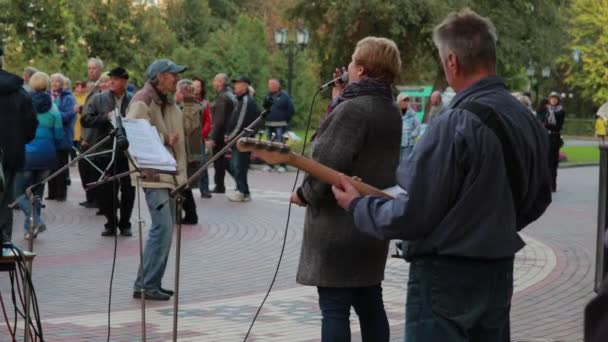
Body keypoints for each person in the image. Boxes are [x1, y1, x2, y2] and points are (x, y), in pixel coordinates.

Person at [332, 9, 552, 342]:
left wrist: (358, 206)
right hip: (497, 270)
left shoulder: (455, 122)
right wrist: (496, 225)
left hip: (446, 274)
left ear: (452, 61)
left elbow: (414, 213)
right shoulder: (525, 117)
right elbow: (541, 195)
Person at [290, 37, 402, 342]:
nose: (348, 67)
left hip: (337, 226)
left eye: (352, 62)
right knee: (369, 303)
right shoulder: (390, 110)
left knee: (335, 308)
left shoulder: (354, 109)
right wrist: (338, 99)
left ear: (361, 70)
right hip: (371, 221)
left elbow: (328, 163)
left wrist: (304, 194)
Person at [128, 59, 189, 301]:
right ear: (160, 76)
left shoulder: (168, 101)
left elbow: (189, 130)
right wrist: (164, 138)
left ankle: (149, 282)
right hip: (154, 174)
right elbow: (132, 133)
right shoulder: (144, 100)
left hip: (167, 174)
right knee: (162, 228)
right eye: (173, 74)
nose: (176, 79)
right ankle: (145, 284)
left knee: (164, 229)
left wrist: (192, 103)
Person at [81, 67, 134, 237]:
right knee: (105, 189)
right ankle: (111, 222)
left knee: (128, 189)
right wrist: (105, 117)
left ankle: (125, 223)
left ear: (124, 82)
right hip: (104, 151)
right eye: (110, 78)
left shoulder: (133, 100)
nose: (111, 82)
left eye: (116, 79)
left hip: (126, 152)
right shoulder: (98, 99)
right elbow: (85, 120)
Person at [16, 72, 63, 240]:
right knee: (37, 193)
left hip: (27, 154)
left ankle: (35, 220)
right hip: (47, 157)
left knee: (17, 193)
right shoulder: (54, 107)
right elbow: (59, 135)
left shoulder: (24, 104)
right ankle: (31, 229)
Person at [0, 47, 38, 243]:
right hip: (11, 153)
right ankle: (4, 241)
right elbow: (31, 123)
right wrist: (19, 140)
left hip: (10, 152)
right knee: (6, 200)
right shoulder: (20, 92)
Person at [225, 76, 260, 202]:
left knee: (239, 166)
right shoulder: (240, 100)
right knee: (237, 166)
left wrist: (230, 137)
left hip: (242, 140)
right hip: (238, 139)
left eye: (238, 84)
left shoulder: (245, 100)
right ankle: (242, 190)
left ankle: (243, 191)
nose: (235, 86)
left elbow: (240, 122)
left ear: (245, 86)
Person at [175, 79, 203, 224]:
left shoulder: (191, 107)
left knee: (181, 184)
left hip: (187, 153)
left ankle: (188, 215)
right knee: (182, 184)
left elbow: (187, 128)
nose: (176, 94)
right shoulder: (188, 106)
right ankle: (188, 214)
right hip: (186, 152)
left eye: (178, 91)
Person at [78, 57, 105, 209]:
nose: (91, 71)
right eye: (89, 68)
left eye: (94, 68)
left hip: (93, 137)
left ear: (100, 70)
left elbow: (96, 114)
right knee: (86, 169)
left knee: (92, 169)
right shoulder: (91, 87)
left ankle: (96, 199)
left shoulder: (100, 88)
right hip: (87, 134)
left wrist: (86, 138)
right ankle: (92, 197)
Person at [46, 73, 76, 202]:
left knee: (61, 167)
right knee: (50, 167)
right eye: (52, 81)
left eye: (57, 81)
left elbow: (69, 115)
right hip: (49, 137)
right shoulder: (46, 96)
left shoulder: (68, 98)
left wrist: (53, 116)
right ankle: (52, 193)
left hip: (63, 137)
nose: (54, 83)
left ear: (62, 83)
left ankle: (61, 194)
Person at [207, 73, 235, 194]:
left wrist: (213, 137)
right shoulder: (229, 95)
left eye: (215, 81)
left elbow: (219, 119)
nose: (213, 83)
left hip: (220, 134)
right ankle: (234, 182)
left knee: (219, 161)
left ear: (221, 82)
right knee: (224, 161)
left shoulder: (223, 97)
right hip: (227, 132)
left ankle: (220, 186)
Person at [262, 78, 294, 173]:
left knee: (281, 145)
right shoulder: (267, 96)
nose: (270, 86)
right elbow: (264, 107)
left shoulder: (284, 96)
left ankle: (282, 165)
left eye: (271, 84)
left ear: (277, 85)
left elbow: (291, 109)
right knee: (269, 145)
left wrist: (285, 120)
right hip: (269, 124)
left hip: (281, 125)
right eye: (269, 84)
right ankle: (270, 165)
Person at [539, 92, 565, 192]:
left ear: (558, 100)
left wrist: (546, 125)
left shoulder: (560, 111)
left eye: (555, 99)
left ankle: (552, 185)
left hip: (554, 137)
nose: (553, 100)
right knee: (545, 161)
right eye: (552, 98)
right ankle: (545, 183)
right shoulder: (546, 110)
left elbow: (558, 126)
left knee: (553, 163)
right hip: (546, 137)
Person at [192, 77, 212, 198]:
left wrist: (201, 136)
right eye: (193, 86)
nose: (195, 89)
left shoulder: (205, 103)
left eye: (198, 86)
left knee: (202, 164)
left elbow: (208, 122)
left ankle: (204, 189)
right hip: (186, 138)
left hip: (199, 139)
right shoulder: (185, 101)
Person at [397, 93, 420, 161]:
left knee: (406, 162)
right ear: (399, 101)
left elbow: (418, 127)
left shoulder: (412, 114)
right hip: (397, 143)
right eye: (404, 100)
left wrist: (412, 135)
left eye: (407, 101)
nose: (406, 102)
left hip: (408, 144)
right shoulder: (394, 112)